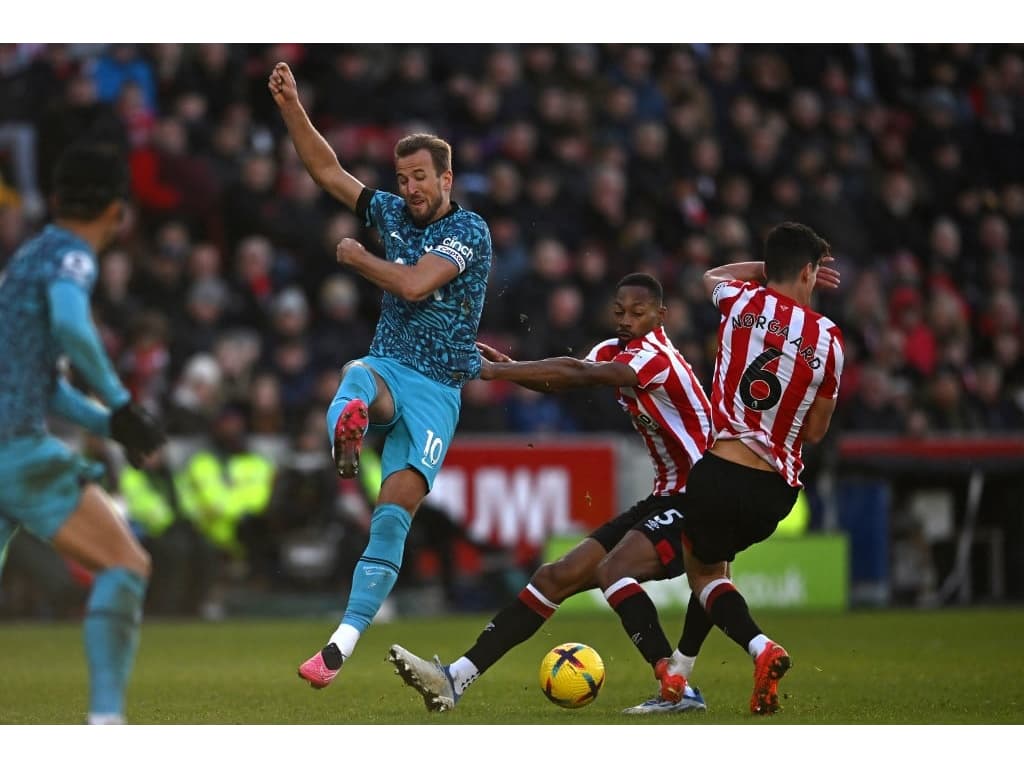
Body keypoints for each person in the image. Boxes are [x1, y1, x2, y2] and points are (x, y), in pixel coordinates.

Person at [387, 273, 715, 714]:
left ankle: (676, 685)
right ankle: (455, 679)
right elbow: (564, 375)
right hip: (665, 496)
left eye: (638, 313)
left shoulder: (656, 358)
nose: (626, 320)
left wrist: (496, 370)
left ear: (661, 316)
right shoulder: (611, 351)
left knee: (615, 572)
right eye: (620, 311)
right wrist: (511, 368)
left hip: (699, 497)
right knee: (553, 578)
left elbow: (577, 374)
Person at [268, 61, 493, 688]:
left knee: (392, 515)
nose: (410, 188)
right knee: (358, 374)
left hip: (440, 391)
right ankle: (349, 426)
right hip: (392, 366)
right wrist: (292, 104)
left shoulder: (468, 230)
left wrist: (357, 257)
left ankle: (338, 647)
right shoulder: (392, 211)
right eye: (402, 178)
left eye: (420, 177)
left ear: (446, 177)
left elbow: (417, 283)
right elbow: (326, 171)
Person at [598, 222, 844, 716]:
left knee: (706, 579)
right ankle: (680, 679)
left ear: (768, 269)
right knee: (715, 569)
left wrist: (763, 270)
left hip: (720, 469)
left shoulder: (741, 301)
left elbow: (712, 275)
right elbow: (816, 431)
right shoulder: (830, 341)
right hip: (777, 489)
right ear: (810, 272)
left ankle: (760, 647)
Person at [0, 143, 166, 724]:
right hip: (15, 451)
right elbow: (72, 326)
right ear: (119, 212)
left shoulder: (25, 259)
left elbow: (43, 385)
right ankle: (105, 727)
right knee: (126, 564)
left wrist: (114, 426)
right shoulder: (71, 256)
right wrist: (121, 404)